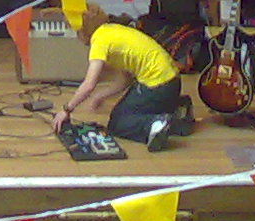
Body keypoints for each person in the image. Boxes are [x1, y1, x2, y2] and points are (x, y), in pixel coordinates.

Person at [49, 20, 188, 152]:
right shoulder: (112, 31)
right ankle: (177, 108)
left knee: (118, 123)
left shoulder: (99, 42)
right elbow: (125, 79)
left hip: (157, 86)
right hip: (172, 82)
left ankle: (154, 124)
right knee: (124, 111)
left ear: (82, 30)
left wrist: (66, 110)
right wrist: (101, 96)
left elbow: (89, 84)